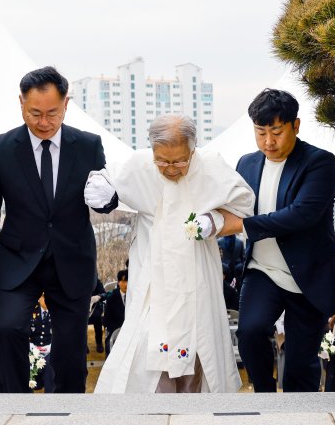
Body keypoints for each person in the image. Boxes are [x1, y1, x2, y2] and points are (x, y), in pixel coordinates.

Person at [0, 66, 118, 393]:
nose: (44, 121)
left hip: (71, 258)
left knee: (69, 349)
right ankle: (16, 404)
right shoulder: (0, 148)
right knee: (6, 328)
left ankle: (68, 412)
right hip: (19, 256)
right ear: (21, 103)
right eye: (35, 113)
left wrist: (108, 198)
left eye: (52, 113)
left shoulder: (88, 145)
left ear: (66, 104)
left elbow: (102, 196)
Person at [90, 114, 255, 393]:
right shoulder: (140, 164)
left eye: (179, 161)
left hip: (196, 267)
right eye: (162, 161)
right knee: (146, 340)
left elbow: (245, 210)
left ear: (193, 149)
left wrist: (213, 220)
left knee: (198, 342)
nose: (170, 169)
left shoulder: (211, 166)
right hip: (152, 269)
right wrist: (100, 188)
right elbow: (105, 177)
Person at [221, 89, 335, 392]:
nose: (268, 141)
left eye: (276, 132)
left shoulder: (320, 162)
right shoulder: (246, 163)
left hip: (308, 277)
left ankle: (304, 419)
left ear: (295, 126)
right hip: (262, 271)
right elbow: (232, 206)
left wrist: (242, 225)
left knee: (299, 365)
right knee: (250, 333)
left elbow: (301, 215)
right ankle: (265, 396)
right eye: (261, 132)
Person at [29, 294, 54, 392]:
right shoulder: (31, 311)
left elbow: (60, 332)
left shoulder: (56, 312)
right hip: (33, 348)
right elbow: (25, 331)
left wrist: (51, 346)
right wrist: (31, 346)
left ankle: (49, 395)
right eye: (44, 297)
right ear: (39, 298)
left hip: (50, 349)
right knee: (27, 366)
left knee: (50, 366)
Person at [103, 269, 127, 354]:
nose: (126, 284)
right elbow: (106, 320)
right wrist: (119, 331)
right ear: (118, 282)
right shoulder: (111, 298)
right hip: (115, 331)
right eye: (123, 281)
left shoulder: (135, 298)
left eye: (128, 281)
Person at [88, 278, 106, 353]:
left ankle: (99, 342)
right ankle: (82, 344)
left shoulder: (96, 281)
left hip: (95, 308)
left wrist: (98, 296)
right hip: (81, 308)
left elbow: (104, 294)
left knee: (98, 318)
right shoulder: (77, 279)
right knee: (79, 323)